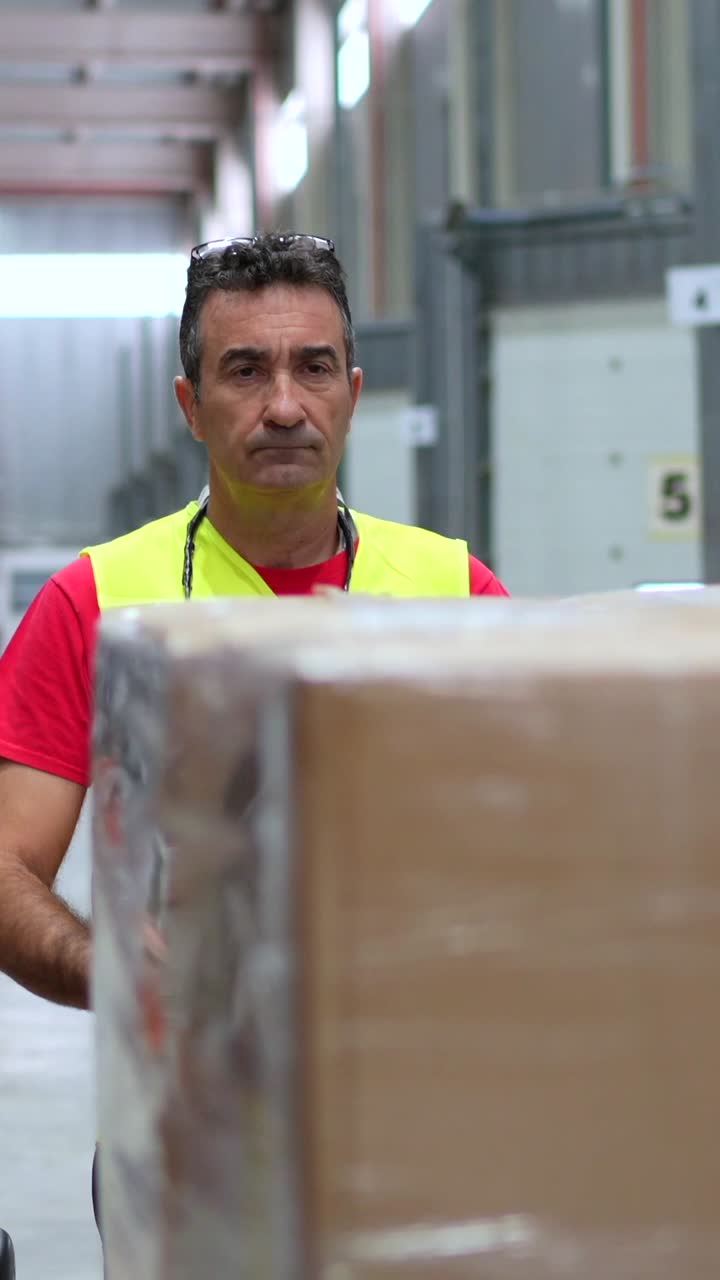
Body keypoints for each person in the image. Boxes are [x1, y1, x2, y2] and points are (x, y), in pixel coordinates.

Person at [0, 231, 508, 1016]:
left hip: (413, 1055)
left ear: (352, 395)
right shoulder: (95, 602)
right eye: (246, 371)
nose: (285, 407)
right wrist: (105, 963)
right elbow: (8, 862)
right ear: (191, 408)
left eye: (315, 368)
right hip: (188, 1069)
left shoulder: (457, 593)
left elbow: (533, 848)